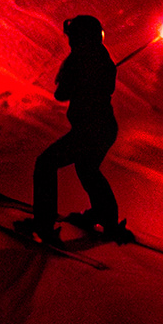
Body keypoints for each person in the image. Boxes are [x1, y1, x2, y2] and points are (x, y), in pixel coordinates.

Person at [21, 14, 125, 240]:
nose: (70, 41)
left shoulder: (80, 59)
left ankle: (44, 225)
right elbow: (103, 85)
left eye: (73, 36)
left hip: (90, 130)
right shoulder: (102, 58)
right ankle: (106, 217)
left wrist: (74, 79)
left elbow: (61, 93)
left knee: (46, 164)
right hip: (104, 129)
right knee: (87, 169)